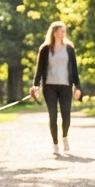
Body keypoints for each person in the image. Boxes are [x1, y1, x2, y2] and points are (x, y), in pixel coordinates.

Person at [31, 21, 83, 156]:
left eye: (64, 31)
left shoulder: (69, 49)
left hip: (66, 85)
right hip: (49, 86)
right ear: (54, 33)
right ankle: (55, 143)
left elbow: (74, 70)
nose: (62, 33)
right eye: (60, 31)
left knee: (66, 114)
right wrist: (36, 85)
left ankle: (64, 136)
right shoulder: (45, 49)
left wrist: (78, 86)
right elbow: (40, 69)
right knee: (52, 116)